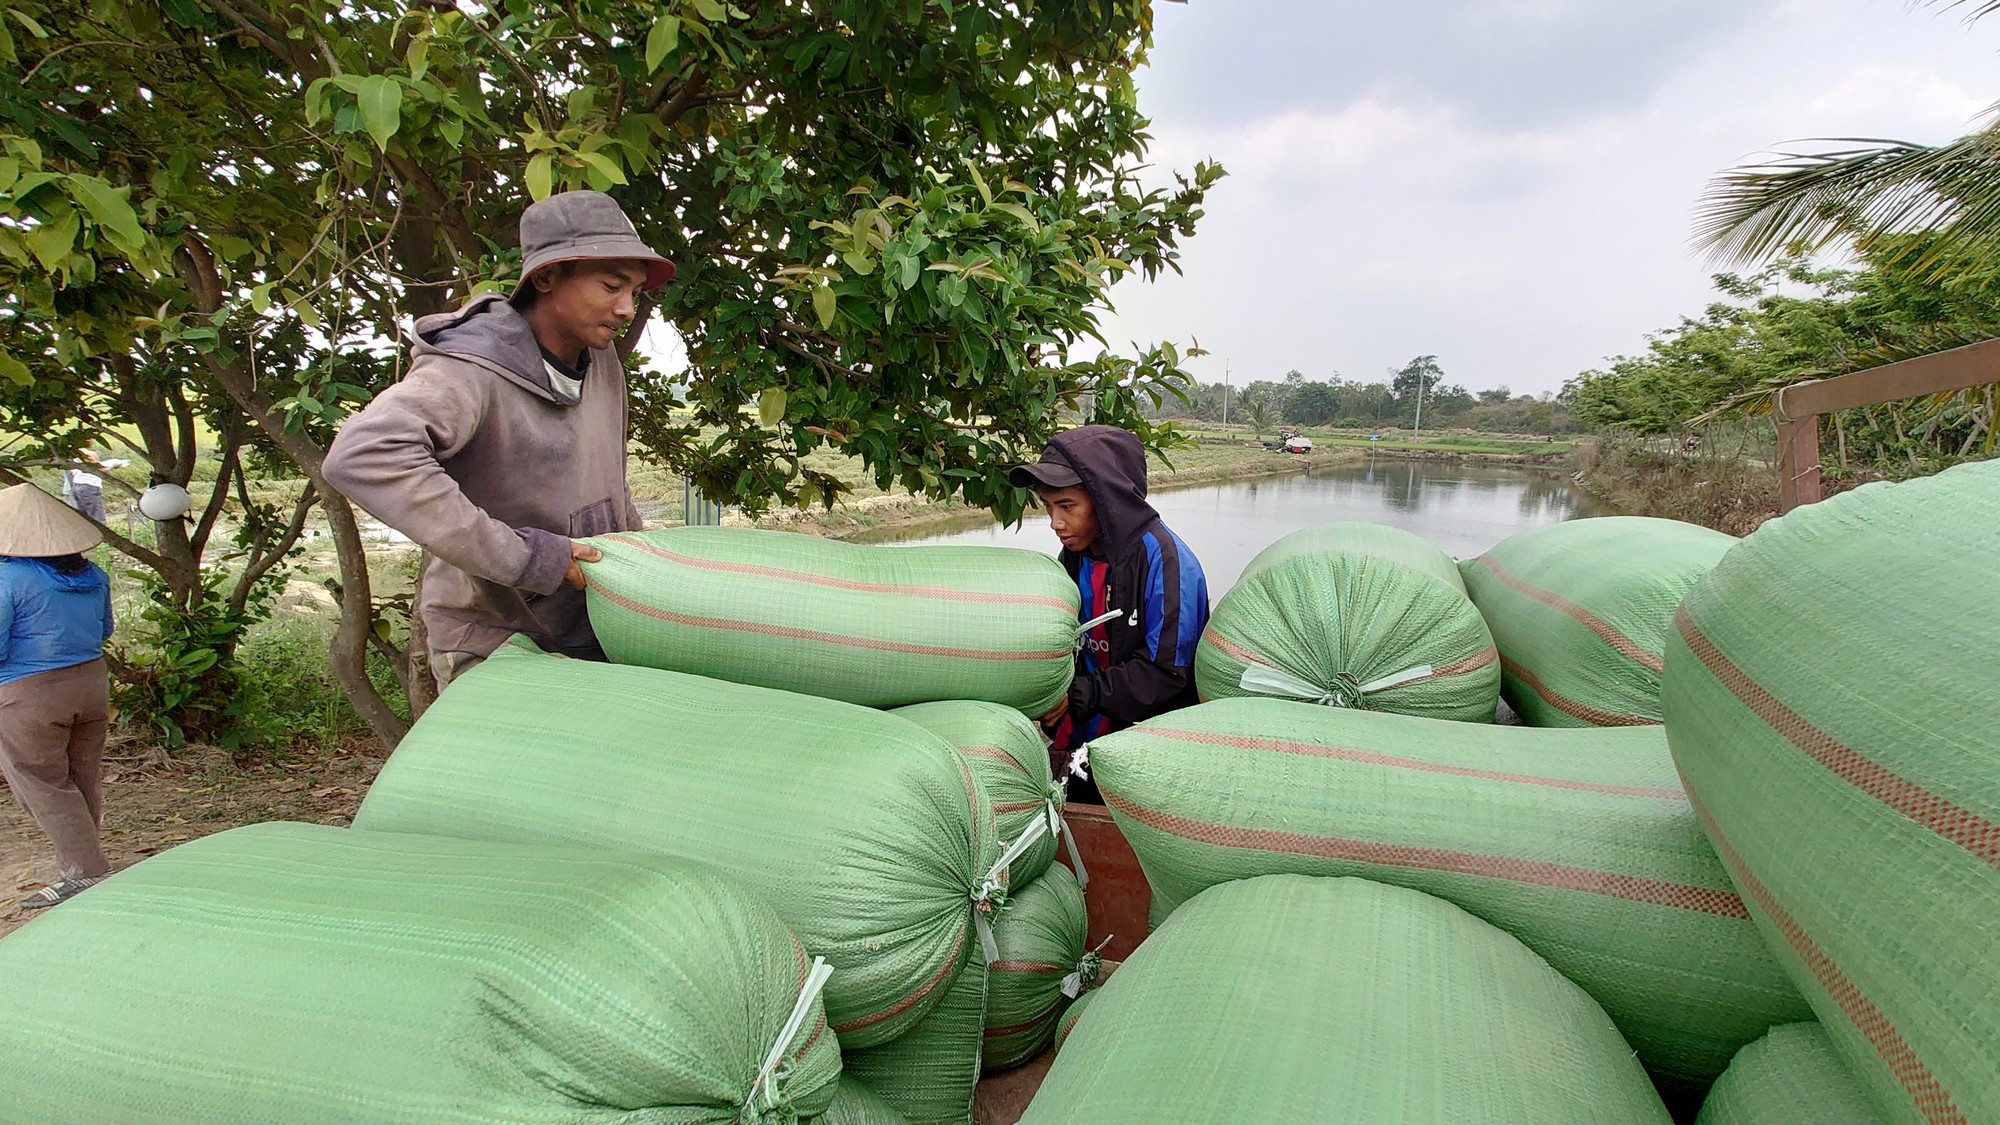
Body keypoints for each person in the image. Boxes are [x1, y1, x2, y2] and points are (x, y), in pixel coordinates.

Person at [324, 190, 675, 686]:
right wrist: (531, 559)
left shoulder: (601, 360)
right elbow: (363, 456)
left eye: (635, 293)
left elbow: (606, 483)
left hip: (586, 626)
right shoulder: (469, 370)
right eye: (610, 286)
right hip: (494, 640)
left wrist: (639, 564)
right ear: (547, 278)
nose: (626, 308)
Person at [1011, 425, 1210, 803]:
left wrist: (1078, 695)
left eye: (1067, 506)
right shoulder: (1074, 558)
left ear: (1106, 500)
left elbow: (1165, 672)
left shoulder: (1167, 562)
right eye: (1048, 506)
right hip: (1085, 744)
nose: (1055, 522)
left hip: (1148, 752)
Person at [0, 483, 116, 909]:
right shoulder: (94, 575)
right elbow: (105, 631)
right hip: (91, 684)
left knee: (41, 783)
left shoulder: (7, 577)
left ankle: (84, 871)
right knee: (81, 775)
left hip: (28, 692)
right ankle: (86, 859)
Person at [60, 449, 129, 525]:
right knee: (97, 517)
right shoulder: (90, 454)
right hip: (90, 486)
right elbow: (100, 470)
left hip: (77, 485)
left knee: (84, 517)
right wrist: (114, 465)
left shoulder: (74, 453)